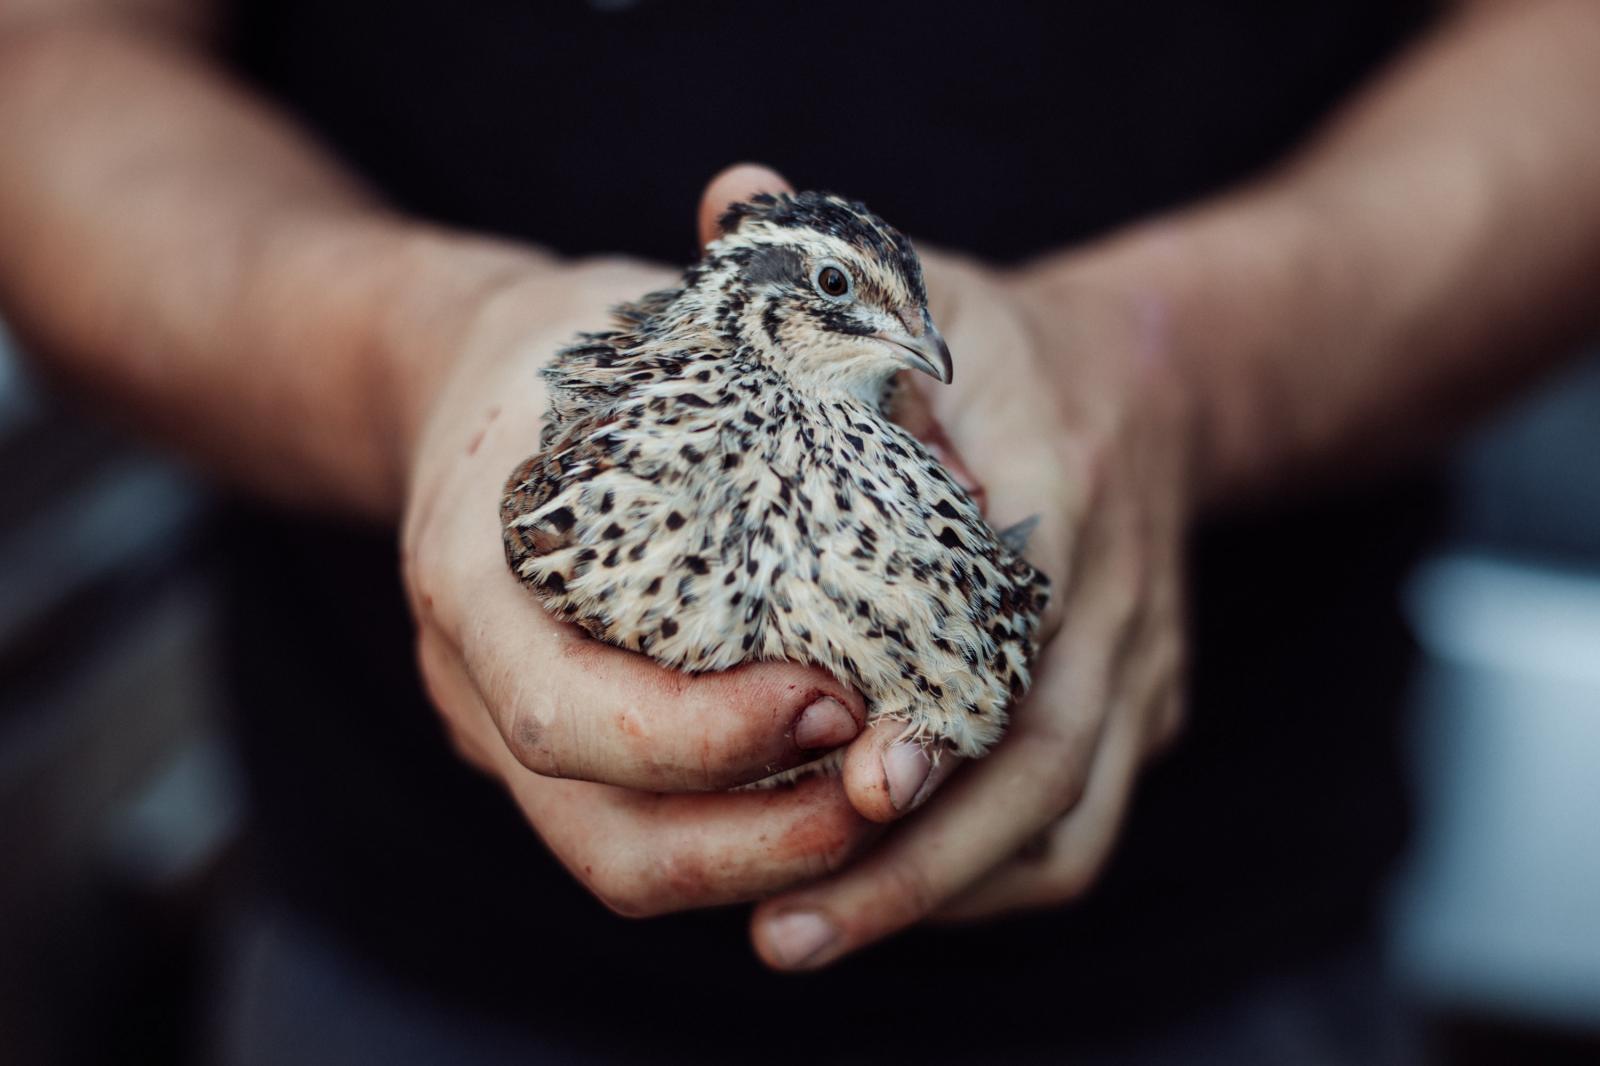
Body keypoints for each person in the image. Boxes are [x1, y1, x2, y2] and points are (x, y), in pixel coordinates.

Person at [2, 0, 1598, 1061]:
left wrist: (1182, 376)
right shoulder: (609, 468)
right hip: (415, 943)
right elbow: (48, 62)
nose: (906, 354)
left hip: (1209, 932)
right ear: (761, 315)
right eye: (845, 312)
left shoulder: (929, 501)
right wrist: (410, 357)